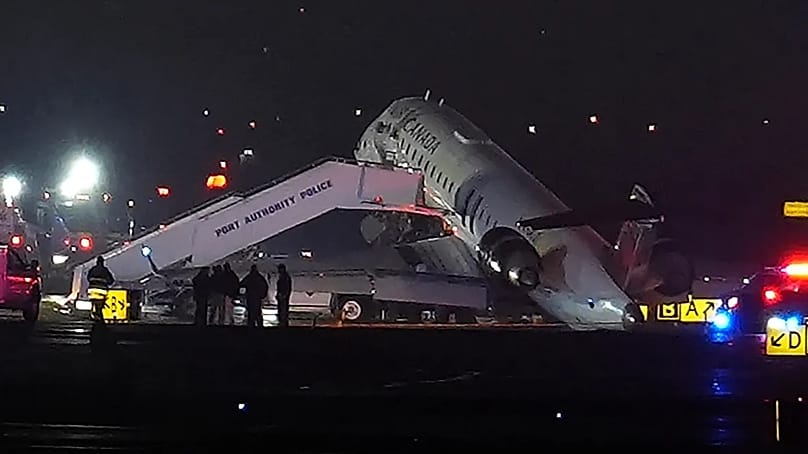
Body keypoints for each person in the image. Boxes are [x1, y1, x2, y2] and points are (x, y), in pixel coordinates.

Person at [87, 256, 114, 323]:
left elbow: (88, 278)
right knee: (100, 306)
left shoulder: (92, 269)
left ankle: (94, 314)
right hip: (101, 291)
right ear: (103, 262)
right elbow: (111, 280)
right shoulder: (105, 270)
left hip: (92, 291)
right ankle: (99, 317)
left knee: (94, 303)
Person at [240, 264, 268, 328]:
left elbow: (242, 283)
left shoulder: (249, 277)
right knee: (257, 312)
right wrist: (263, 295)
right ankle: (259, 325)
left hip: (251, 297)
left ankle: (251, 326)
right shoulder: (259, 277)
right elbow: (265, 286)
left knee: (251, 312)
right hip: (257, 297)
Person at [275, 264, 292, 328]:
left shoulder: (285, 277)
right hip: (282, 295)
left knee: (283, 308)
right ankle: (283, 320)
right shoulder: (284, 276)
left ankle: (283, 321)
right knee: (282, 308)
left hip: (283, 295)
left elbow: (286, 287)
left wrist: (284, 294)